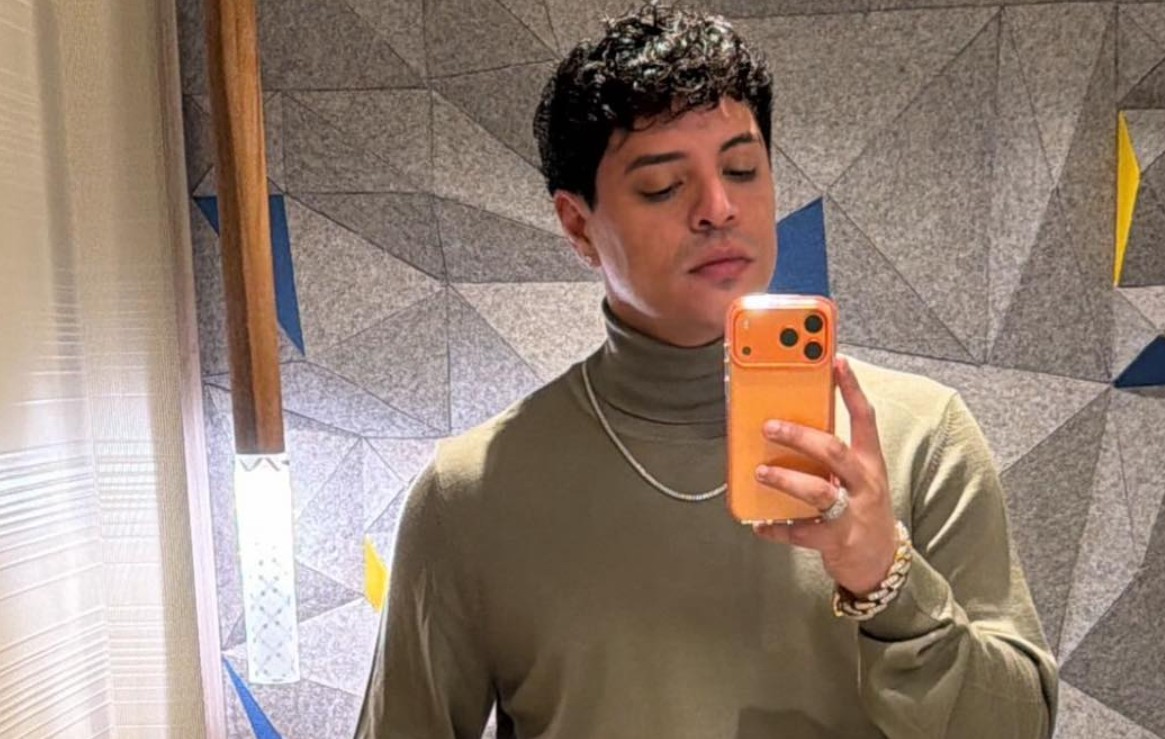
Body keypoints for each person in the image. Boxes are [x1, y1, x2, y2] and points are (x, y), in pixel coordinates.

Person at [355, 3, 1058, 737]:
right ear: (577, 224)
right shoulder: (472, 495)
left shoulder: (918, 440)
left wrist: (889, 579)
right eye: (663, 185)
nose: (719, 208)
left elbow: (1018, 728)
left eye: (742, 170)